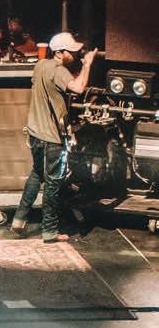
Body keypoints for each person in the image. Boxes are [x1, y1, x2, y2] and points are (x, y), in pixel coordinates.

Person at [10, 30, 97, 242]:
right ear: (60, 52)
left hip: (35, 133)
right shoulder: (59, 71)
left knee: (37, 174)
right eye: (71, 51)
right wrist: (87, 65)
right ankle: (49, 230)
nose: (74, 55)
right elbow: (78, 88)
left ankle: (19, 219)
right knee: (53, 183)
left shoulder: (41, 65)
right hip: (51, 139)